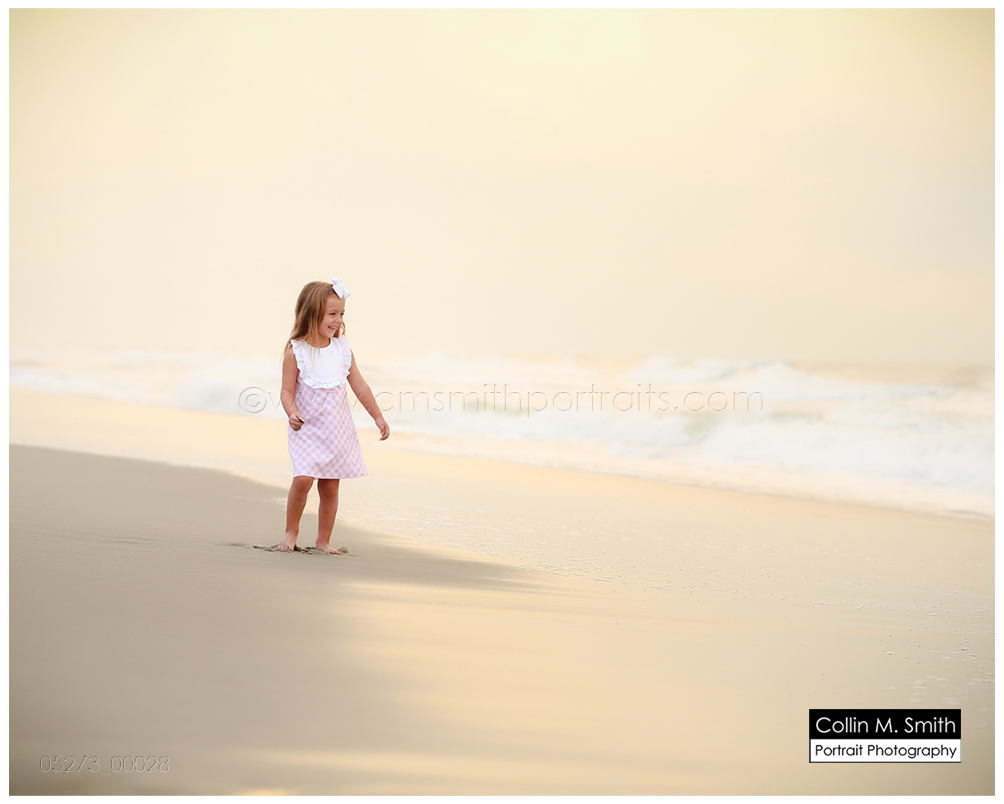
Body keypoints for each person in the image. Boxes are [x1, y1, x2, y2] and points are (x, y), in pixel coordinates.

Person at [276, 277, 390, 553]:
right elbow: (286, 391)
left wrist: (377, 416)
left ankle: (323, 540)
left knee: (329, 487)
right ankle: (291, 533)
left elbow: (359, 385)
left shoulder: (342, 349)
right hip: (306, 428)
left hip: (337, 430)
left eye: (341, 314)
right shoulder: (297, 351)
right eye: (332, 314)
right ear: (312, 313)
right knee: (303, 479)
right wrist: (291, 412)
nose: (338, 320)